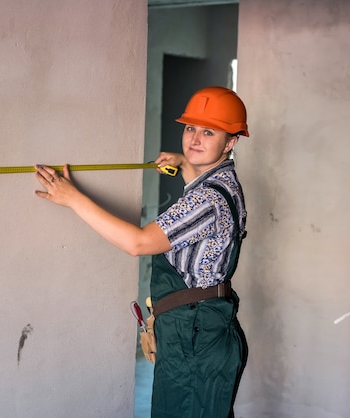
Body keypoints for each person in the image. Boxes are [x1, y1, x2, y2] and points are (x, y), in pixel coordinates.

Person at [34, 86, 249, 418]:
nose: (194, 138)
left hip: (195, 339)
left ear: (231, 141)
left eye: (209, 132)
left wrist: (72, 198)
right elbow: (200, 181)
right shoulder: (224, 181)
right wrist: (184, 163)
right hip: (202, 331)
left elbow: (137, 242)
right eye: (190, 128)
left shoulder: (205, 200)